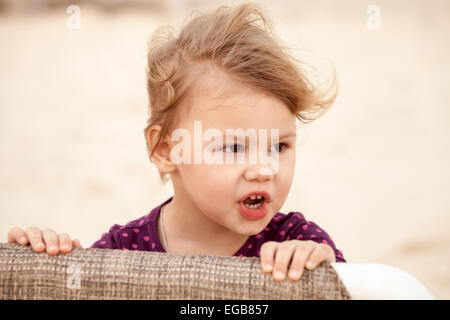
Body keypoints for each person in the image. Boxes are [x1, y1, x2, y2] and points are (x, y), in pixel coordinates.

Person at [7, 2, 345, 282]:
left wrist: (320, 266)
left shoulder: (297, 241)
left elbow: (355, 286)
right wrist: (45, 259)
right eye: (234, 148)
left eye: (279, 146)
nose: (264, 169)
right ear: (167, 150)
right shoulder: (122, 251)